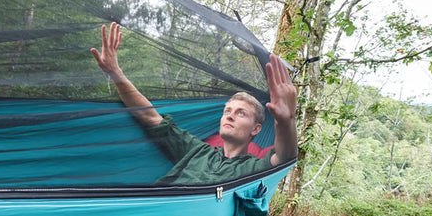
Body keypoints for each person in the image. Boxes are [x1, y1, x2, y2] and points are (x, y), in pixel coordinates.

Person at [91, 22, 297, 186]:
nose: (230, 115)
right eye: (227, 111)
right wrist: (115, 73)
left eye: (241, 113)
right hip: (149, 209)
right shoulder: (197, 151)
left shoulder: (252, 169)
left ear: (256, 129)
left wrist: (286, 121)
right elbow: (150, 117)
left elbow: (284, 157)